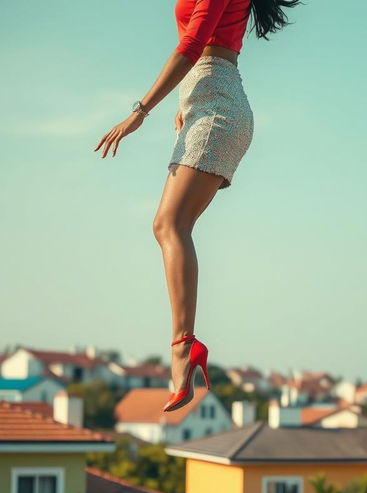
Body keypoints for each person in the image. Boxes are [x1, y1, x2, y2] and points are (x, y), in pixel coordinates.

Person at [93, 0, 301, 412]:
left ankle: (183, 347)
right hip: (202, 102)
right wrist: (182, 103)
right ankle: (184, 345)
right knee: (167, 225)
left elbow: (194, 44)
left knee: (171, 224)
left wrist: (140, 111)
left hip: (218, 104)